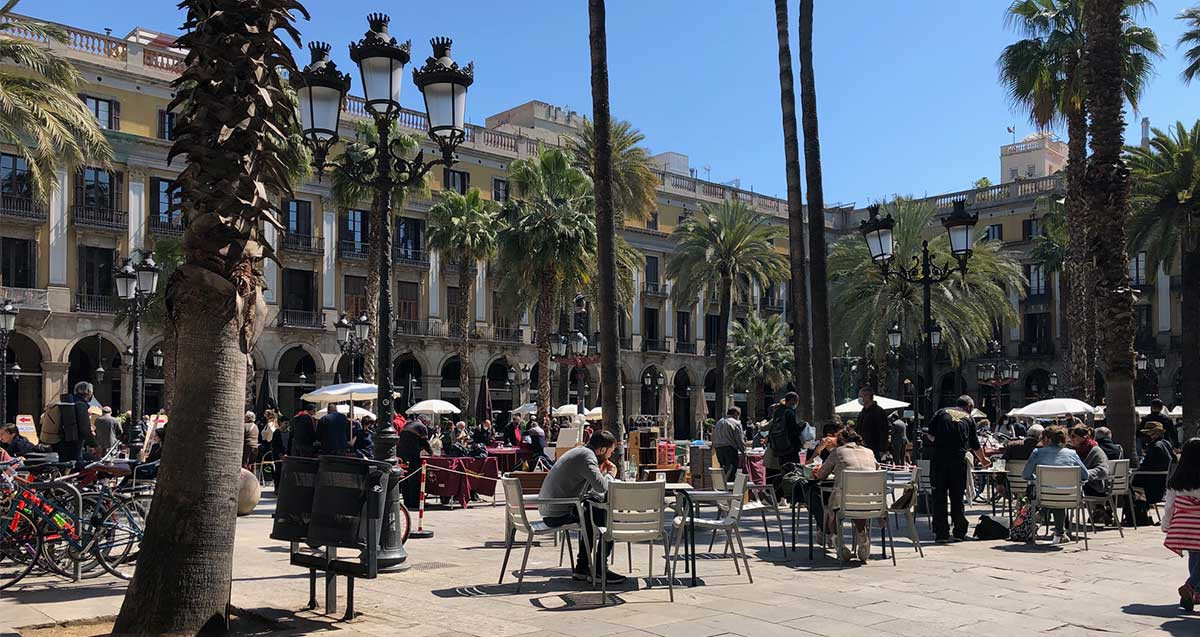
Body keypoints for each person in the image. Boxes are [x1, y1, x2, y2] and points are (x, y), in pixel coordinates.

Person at [539, 429, 624, 584]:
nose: (610, 456)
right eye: (610, 452)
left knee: (592, 513)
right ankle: (598, 569)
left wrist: (600, 473)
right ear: (602, 449)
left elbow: (591, 487)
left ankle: (583, 567)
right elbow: (602, 488)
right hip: (557, 513)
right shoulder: (587, 457)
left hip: (550, 508)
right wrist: (611, 473)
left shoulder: (581, 451)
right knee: (608, 517)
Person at [926, 395, 990, 543]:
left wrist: (942, 443)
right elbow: (975, 445)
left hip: (939, 460)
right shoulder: (969, 418)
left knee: (939, 497)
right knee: (956, 497)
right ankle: (959, 532)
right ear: (969, 407)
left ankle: (941, 533)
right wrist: (983, 460)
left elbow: (930, 435)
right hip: (958, 460)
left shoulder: (941, 412)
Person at [812, 427, 880, 561]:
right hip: (869, 500)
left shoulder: (837, 452)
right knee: (857, 502)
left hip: (844, 498)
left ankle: (838, 541)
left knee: (835, 508)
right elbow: (878, 469)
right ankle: (862, 535)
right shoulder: (869, 452)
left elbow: (821, 475)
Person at [1022, 425, 1089, 543]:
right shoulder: (1072, 453)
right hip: (1070, 496)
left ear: (1047, 439)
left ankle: (1043, 513)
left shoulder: (1037, 452)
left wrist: (1037, 479)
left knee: (1051, 492)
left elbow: (1026, 474)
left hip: (1045, 495)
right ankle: (1059, 534)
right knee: (1059, 494)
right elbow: (1085, 475)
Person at [1162, 438, 1200, 609]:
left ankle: (1196, 592)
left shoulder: (1176, 480)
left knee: (1195, 555)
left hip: (1184, 524)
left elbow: (1169, 506)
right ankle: (1191, 585)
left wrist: (1166, 525)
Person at [1127, 420, 1174, 526]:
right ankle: (1140, 511)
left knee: (1129, 485)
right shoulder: (1166, 444)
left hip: (1153, 482)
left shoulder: (1156, 446)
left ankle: (1136, 515)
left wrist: (1134, 472)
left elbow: (1149, 466)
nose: (1146, 435)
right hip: (1162, 480)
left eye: (1148, 432)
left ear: (1156, 433)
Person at [396, 421, 433, 509]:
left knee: (406, 478)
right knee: (415, 479)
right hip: (412, 454)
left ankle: (407, 501)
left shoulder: (408, 424)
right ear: (425, 422)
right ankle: (415, 502)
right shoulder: (422, 427)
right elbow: (425, 442)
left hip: (401, 453)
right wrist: (431, 452)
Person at [1069, 424, 1110, 498]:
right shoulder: (1073, 451)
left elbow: (1103, 470)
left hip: (1093, 486)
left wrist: (1085, 474)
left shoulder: (1095, 450)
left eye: (1073, 436)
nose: (1070, 439)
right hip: (1077, 485)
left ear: (1083, 437)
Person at [767, 392, 802, 466]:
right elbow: (793, 431)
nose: (796, 403)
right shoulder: (789, 412)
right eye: (796, 401)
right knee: (793, 470)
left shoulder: (778, 412)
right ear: (792, 400)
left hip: (779, 448)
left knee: (783, 468)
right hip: (790, 448)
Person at [712, 407, 745, 483]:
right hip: (729, 449)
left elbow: (713, 436)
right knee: (731, 471)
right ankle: (730, 490)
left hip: (719, 449)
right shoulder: (735, 423)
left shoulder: (719, 422)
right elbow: (739, 439)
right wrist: (743, 451)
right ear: (736, 414)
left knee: (723, 470)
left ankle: (722, 487)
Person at [856, 388, 888, 461]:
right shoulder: (862, 413)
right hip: (862, 449)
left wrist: (882, 449)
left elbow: (883, 432)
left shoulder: (879, 412)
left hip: (874, 450)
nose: (859, 398)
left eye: (861, 396)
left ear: (868, 396)